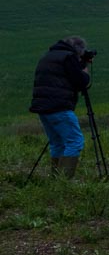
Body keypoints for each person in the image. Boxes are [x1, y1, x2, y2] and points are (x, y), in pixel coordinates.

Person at [29, 36, 91, 178]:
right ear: (78, 50)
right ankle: (65, 179)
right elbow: (81, 81)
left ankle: (56, 177)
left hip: (43, 107)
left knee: (57, 143)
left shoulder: (48, 56)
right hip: (59, 107)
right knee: (75, 141)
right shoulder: (68, 57)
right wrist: (84, 67)